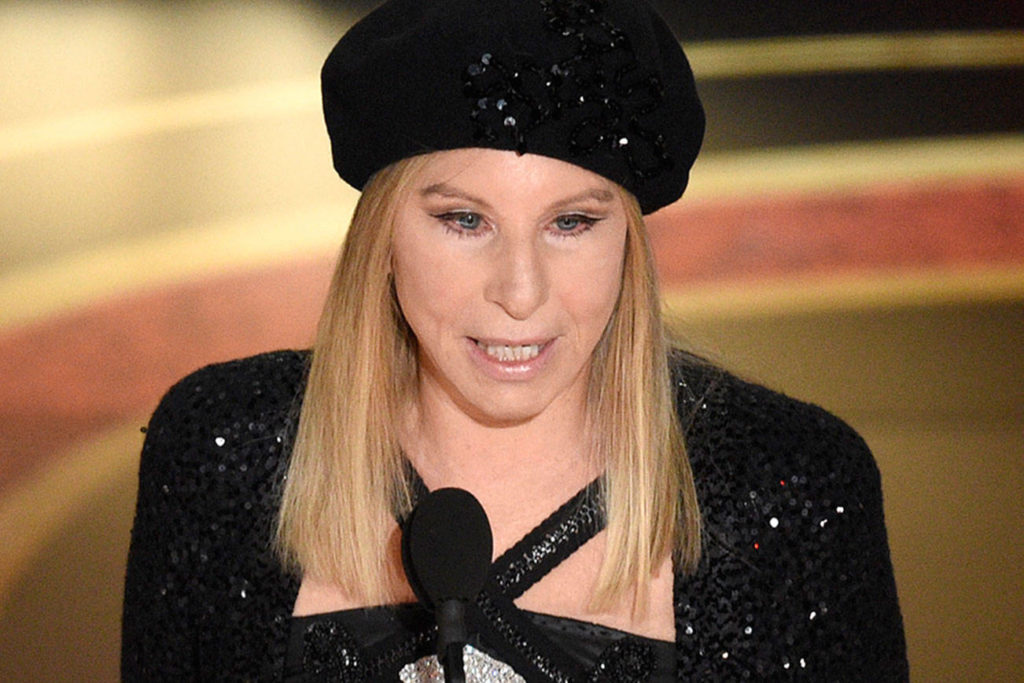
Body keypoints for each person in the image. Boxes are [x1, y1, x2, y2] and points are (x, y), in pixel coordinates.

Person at [121, 0, 908, 680]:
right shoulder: (224, 450)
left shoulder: (790, 488)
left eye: (572, 222)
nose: (521, 291)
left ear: (627, 241)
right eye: (465, 219)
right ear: (381, 236)